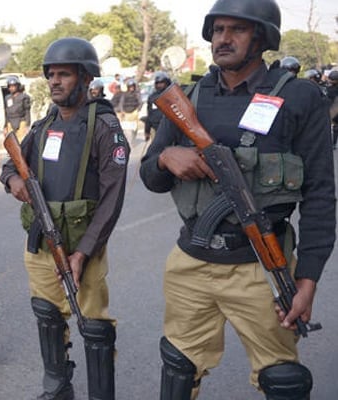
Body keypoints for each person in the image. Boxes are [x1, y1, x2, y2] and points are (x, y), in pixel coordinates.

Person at [139, 1, 336, 398]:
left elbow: (320, 195)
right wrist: (165, 157)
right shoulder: (188, 97)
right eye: (217, 30)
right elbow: (149, 176)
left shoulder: (299, 97)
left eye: (236, 30)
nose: (222, 39)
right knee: (178, 366)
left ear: (261, 37)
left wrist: (308, 278)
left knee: (282, 380)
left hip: (261, 267)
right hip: (191, 262)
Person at [0, 37, 128, 400]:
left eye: (64, 75)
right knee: (47, 314)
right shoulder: (43, 125)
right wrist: (13, 181)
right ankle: (58, 386)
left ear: (86, 78)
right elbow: (10, 163)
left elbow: (112, 197)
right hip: (42, 242)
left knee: (94, 328)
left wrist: (83, 252)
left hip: (83, 247)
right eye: (51, 75)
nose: (55, 81)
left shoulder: (104, 126)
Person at [144, 71, 172, 142]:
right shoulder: (152, 97)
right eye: (157, 83)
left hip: (169, 129)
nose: (159, 85)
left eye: (161, 83)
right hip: (155, 128)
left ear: (167, 83)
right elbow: (149, 115)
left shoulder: (173, 95)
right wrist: (147, 131)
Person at [4, 75, 31, 142]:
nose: (12, 88)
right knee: (12, 143)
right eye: (10, 86)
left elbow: (27, 111)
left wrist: (27, 125)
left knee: (21, 142)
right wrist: (5, 126)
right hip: (10, 122)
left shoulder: (24, 97)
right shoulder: (7, 98)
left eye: (13, 86)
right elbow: (6, 112)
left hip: (21, 121)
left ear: (18, 86)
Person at [327, 70, 338, 149]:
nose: (330, 81)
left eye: (332, 79)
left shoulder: (330, 89)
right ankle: (333, 143)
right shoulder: (329, 88)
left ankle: (333, 143)